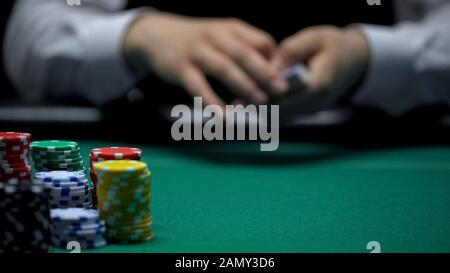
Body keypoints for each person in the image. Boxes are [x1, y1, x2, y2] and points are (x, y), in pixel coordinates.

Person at [3, 0, 450, 116]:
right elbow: (30, 32)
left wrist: (369, 53)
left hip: (362, 137)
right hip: (162, 129)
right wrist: (136, 34)